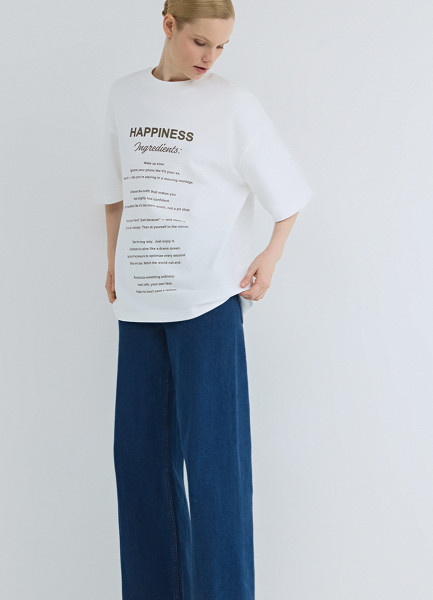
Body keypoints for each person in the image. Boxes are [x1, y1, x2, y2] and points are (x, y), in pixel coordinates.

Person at [92, 1, 312, 599]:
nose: (210, 58)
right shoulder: (124, 96)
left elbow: (288, 195)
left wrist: (272, 255)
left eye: (221, 47)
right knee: (139, 466)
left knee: (216, 473)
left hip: (208, 304)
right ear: (168, 25)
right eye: (200, 43)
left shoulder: (233, 104)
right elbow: (116, 192)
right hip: (140, 306)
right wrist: (113, 260)